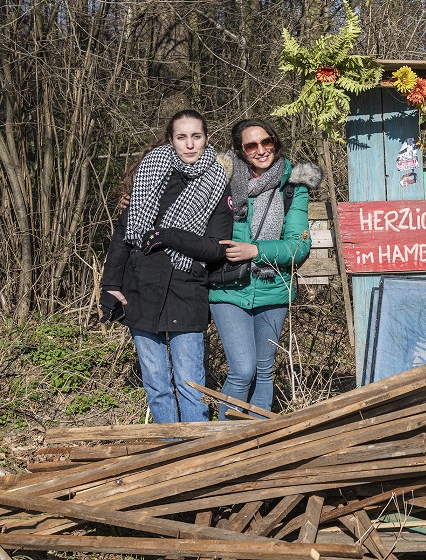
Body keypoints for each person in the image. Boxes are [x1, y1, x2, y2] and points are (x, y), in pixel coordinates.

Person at [100, 109, 233, 423]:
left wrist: (169, 236)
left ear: (207, 138)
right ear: (171, 140)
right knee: (157, 383)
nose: (189, 144)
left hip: (186, 288)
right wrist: (110, 284)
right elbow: (124, 234)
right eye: (182, 137)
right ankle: (168, 452)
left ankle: (197, 454)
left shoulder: (217, 183)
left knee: (190, 383)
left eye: (196, 137)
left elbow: (215, 248)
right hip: (140, 288)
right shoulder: (149, 175)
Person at [209, 119, 322, 419]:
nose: (261, 150)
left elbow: (298, 247)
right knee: (242, 369)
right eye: (251, 145)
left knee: (263, 369)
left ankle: (260, 442)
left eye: (266, 142)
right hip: (228, 289)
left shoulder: (293, 185)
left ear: (275, 141)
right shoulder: (220, 181)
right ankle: (224, 441)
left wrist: (256, 250)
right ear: (240, 150)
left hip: (273, 289)